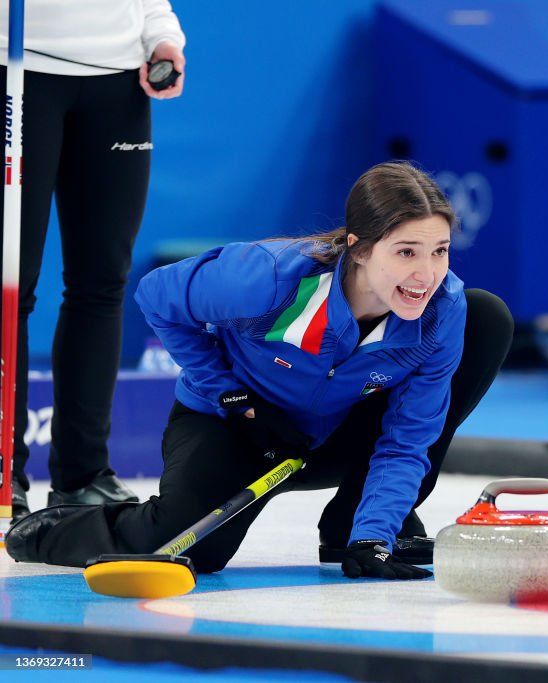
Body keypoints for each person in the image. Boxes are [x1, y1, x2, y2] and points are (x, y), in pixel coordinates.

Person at [6, 161, 514, 580]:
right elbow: (155, 296)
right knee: (192, 548)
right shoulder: (268, 279)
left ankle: (354, 525)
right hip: (237, 427)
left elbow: (409, 436)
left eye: (440, 251)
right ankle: (45, 532)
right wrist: (230, 395)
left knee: (486, 316)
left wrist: (372, 537)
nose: (427, 274)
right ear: (359, 248)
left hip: (335, 436)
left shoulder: (443, 309)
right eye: (406, 252)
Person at [0, 1, 187, 523]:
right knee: (11, 285)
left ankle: (82, 477)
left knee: (102, 283)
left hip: (119, 82)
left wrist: (162, 37)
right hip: (18, 70)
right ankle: (4, 471)